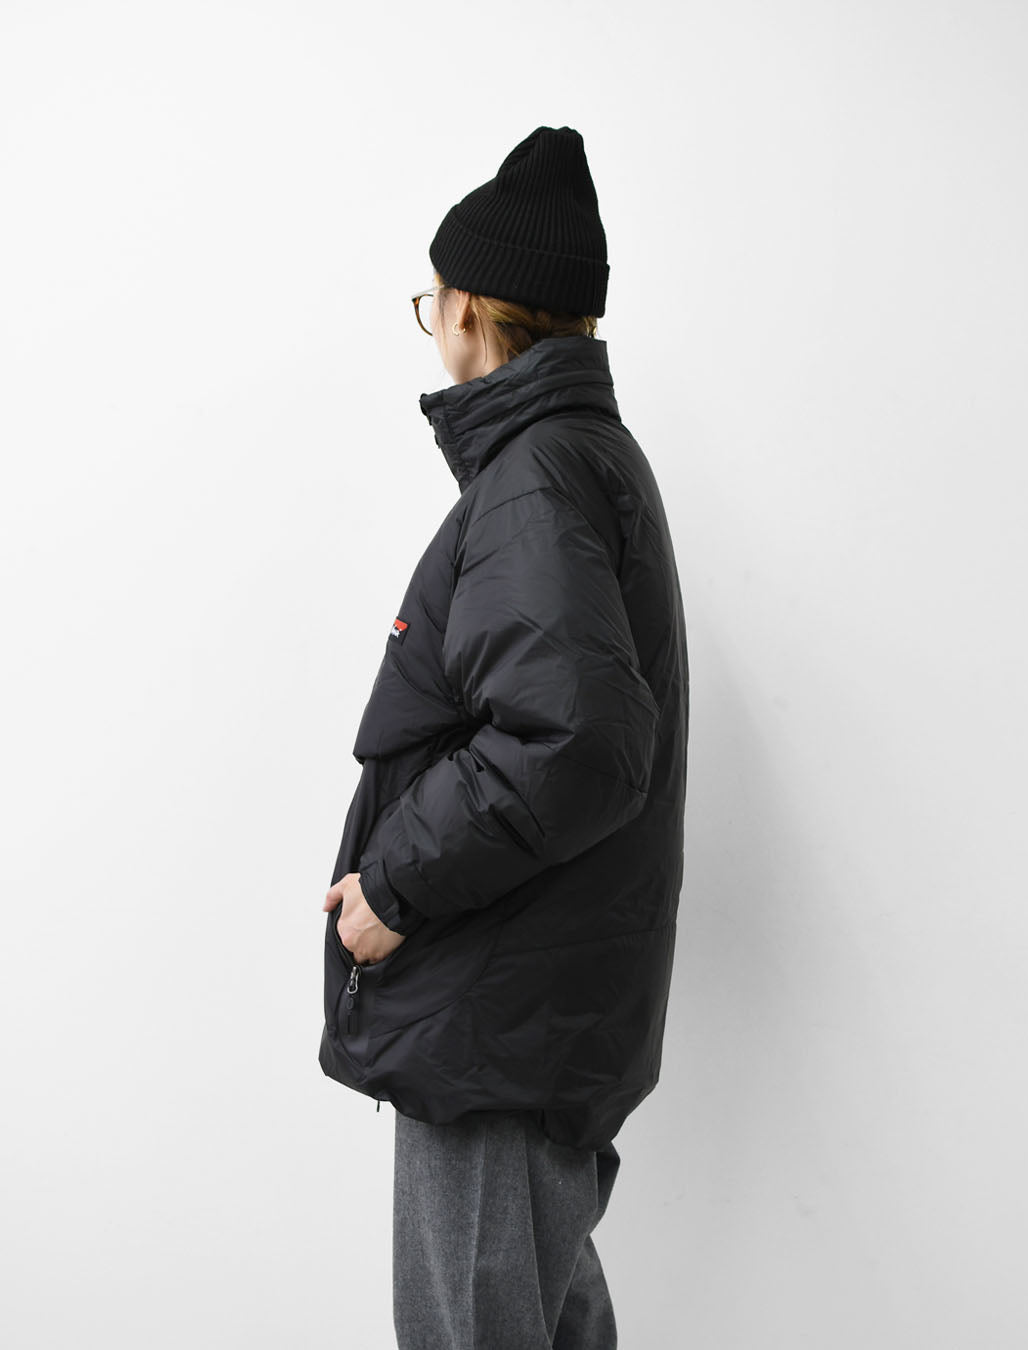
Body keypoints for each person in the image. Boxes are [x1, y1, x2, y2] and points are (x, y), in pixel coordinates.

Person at [318, 124, 689, 1350]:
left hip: (495, 1025)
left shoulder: (536, 477)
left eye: (433, 300)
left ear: (469, 309)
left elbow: (575, 738)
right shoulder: (579, 462)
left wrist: (396, 885)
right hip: (526, 1018)